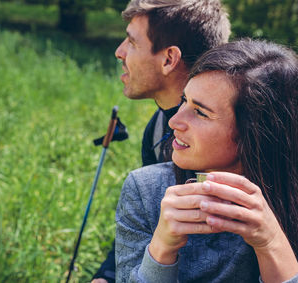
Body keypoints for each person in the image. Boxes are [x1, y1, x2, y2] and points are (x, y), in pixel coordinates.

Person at [92, 0, 298, 282]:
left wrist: (271, 242)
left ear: (254, 133)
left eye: (200, 111)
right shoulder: (147, 176)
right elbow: (140, 233)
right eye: (184, 102)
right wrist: (156, 252)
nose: (175, 122)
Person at [92, 1, 231, 281]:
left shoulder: (233, 140)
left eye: (131, 41)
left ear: (169, 59)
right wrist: (106, 275)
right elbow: (150, 222)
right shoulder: (157, 130)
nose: (119, 52)